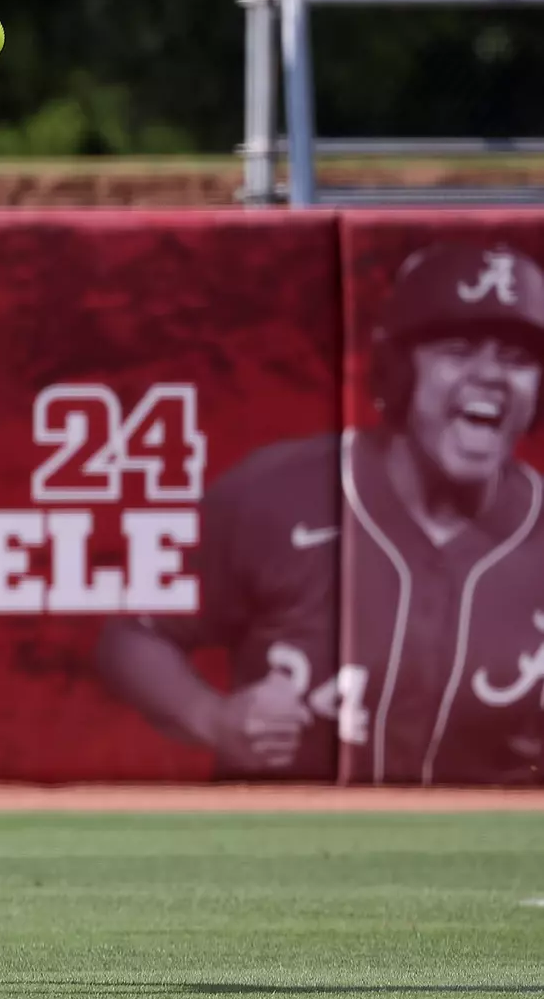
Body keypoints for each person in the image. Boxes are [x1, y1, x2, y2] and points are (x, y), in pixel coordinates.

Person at [95, 242, 544, 786]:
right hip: (280, 851)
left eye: (517, 359)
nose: (490, 376)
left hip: (478, 861)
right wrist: (213, 719)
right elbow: (133, 633)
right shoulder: (276, 491)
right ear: (398, 371)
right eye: (457, 349)